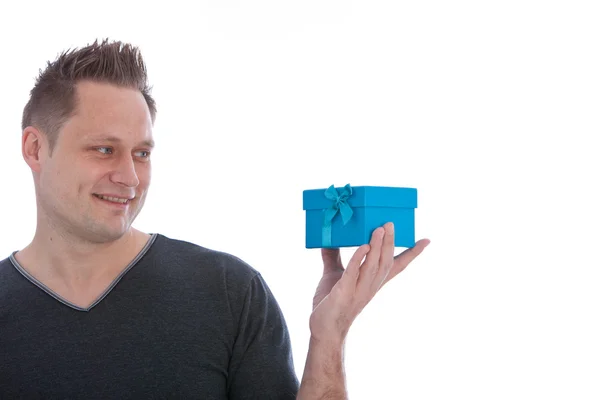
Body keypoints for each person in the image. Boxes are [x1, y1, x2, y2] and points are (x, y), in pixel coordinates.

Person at [0, 38, 430, 399]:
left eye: (142, 153)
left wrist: (329, 337)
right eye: (104, 149)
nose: (130, 177)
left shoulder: (230, 292)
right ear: (36, 149)